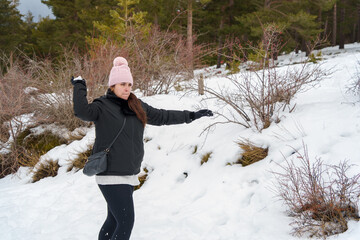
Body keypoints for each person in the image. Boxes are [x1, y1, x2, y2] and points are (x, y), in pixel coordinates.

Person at [71, 56, 213, 240]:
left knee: (113, 220)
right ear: (112, 86)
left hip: (129, 173)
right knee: (126, 221)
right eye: (122, 84)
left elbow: (162, 116)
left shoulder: (136, 105)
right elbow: (81, 112)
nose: (127, 88)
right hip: (111, 173)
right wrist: (79, 86)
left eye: (129, 84)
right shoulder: (102, 106)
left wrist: (191, 115)